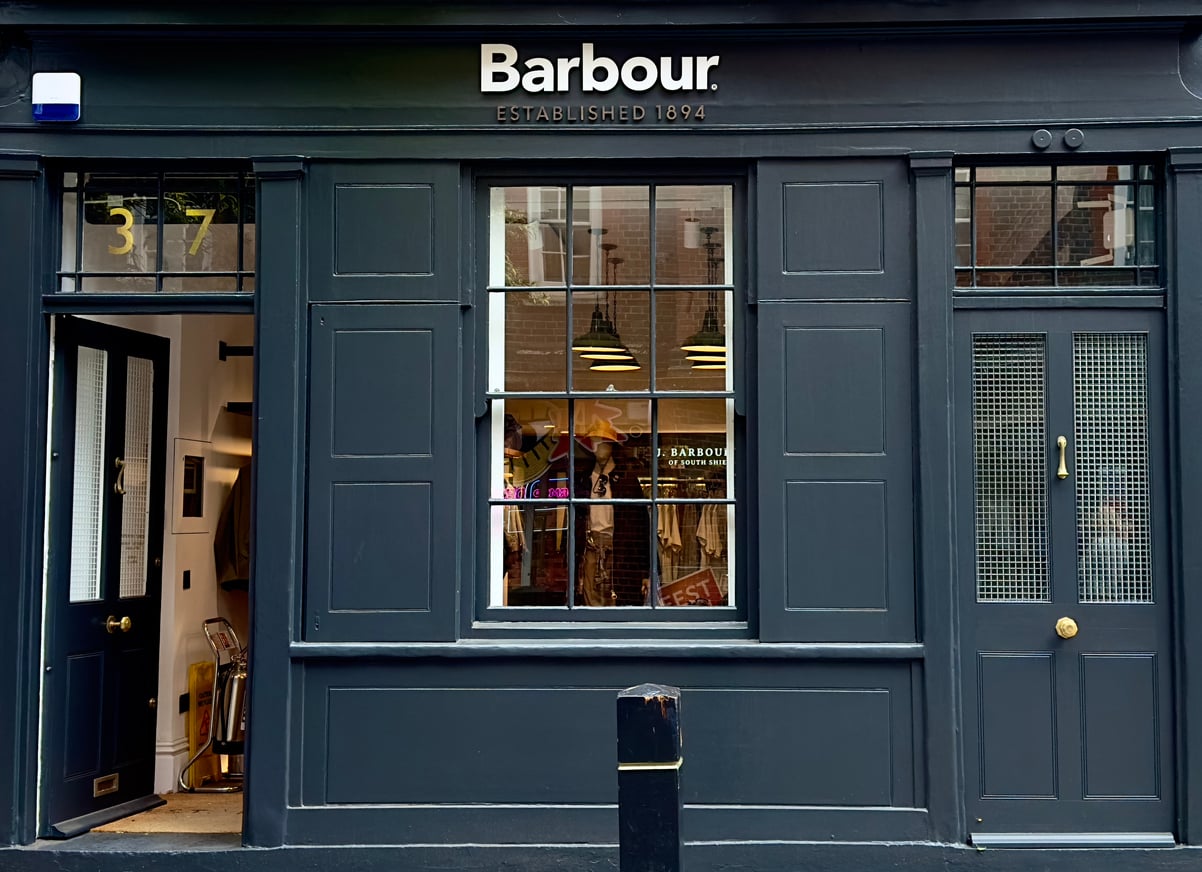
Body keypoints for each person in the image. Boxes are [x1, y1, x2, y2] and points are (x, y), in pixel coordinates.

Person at [574, 418, 649, 606]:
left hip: (620, 553)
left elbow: (642, 527)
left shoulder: (627, 482)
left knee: (618, 599)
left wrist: (646, 571)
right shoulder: (583, 481)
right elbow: (575, 521)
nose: (597, 447)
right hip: (590, 550)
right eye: (594, 443)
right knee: (590, 600)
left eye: (602, 443)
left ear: (612, 446)